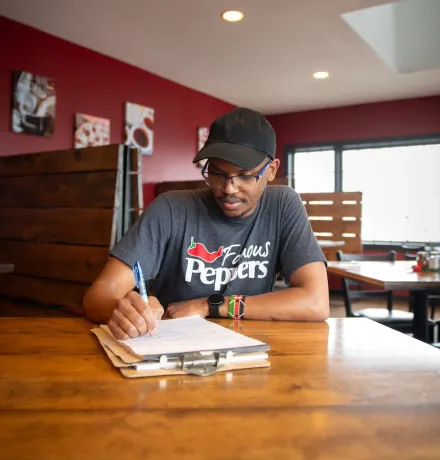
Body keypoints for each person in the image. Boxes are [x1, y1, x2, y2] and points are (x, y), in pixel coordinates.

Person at [83, 108, 329, 339]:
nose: (228, 188)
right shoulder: (171, 208)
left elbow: (316, 302)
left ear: (272, 170)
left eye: (244, 175)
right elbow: (98, 296)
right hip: (173, 348)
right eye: (217, 173)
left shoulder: (283, 205)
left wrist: (211, 305)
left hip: (249, 347)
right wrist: (124, 311)